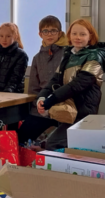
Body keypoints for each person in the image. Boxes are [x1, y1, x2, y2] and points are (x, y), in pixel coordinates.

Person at [37, 19, 105, 150]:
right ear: (69, 35)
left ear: (90, 36)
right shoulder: (69, 54)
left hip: (82, 112)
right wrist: (42, 97)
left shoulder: (95, 56)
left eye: (82, 34)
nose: (77, 37)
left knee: (53, 144)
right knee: (58, 145)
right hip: (68, 110)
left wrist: (51, 99)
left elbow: (78, 84)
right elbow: (55, 80)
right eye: (74, 34)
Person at [17, 16, 68, 144]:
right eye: (45, 31)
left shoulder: (68, 53)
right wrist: (37, 108)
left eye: (53, 30)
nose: (49, 34)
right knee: (21, 137)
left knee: (58, 142)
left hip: (63, 106)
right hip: (42, 108)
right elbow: (33, 88)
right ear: (40, 34)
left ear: (60, 33)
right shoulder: (37, 58)